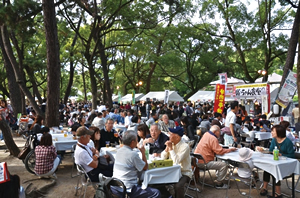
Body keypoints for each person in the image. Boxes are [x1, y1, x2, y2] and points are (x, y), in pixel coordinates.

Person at [112, 130, 161, 198]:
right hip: (128, 188)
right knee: (156, 193)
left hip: (116, 185)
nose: (137, 142)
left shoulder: (119, 151)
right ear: (132, 142)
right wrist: (143, 153)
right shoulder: (133, 154)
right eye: (136, 141)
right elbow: (145, 167)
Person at [259, 125, 294, 198]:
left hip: (286, 164)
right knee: (267, 168)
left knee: (274, 169)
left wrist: (282, 155)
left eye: (273, 131)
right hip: (277, 162)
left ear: (279, 132)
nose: (271, 132)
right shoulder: (274, 140)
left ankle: (278, 193)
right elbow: (271, 151)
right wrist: (263, 150)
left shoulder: (287, 142)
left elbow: (292, 156)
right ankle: (265, 187)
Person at [161, 126, 192, 198]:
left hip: (184, 172)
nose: (169, 136)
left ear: (177, 137)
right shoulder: (171, 144)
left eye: (171, 134)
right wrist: (167, 148)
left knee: (178, 186)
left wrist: (171, 149)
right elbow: (162, 157)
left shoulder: (185, 146)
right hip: (172, 171)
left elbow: (176, 162)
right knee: (159, 182)